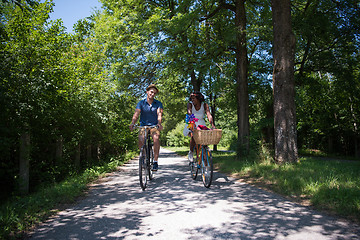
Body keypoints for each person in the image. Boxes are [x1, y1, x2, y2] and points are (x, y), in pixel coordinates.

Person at [129, 84, 163, 171]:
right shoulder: (141, 103)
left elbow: (159, 114)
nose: (152, 94)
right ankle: (143, 156)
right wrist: (133, 123)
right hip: (143, 125)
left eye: (154, 93)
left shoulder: (158, 103)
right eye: (151, 92)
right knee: (141, 138)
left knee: (156, 138)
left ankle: (155, 161)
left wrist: (159, 123)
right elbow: (136, 114)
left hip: (154, 125)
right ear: (147, 92)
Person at [183, 91, 215, 161]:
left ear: (198, 99)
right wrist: (192, 124)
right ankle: (191, 152)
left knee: (204, 140)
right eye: (191, 99)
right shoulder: (190, 104)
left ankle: (205, 157)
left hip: (201, 122)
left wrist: (212, 124)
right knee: (193, 135)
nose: (192, 100)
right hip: (191, 121)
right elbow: (189, 112)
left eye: (194, 98)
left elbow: (209, 115)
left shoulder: (205, 105)